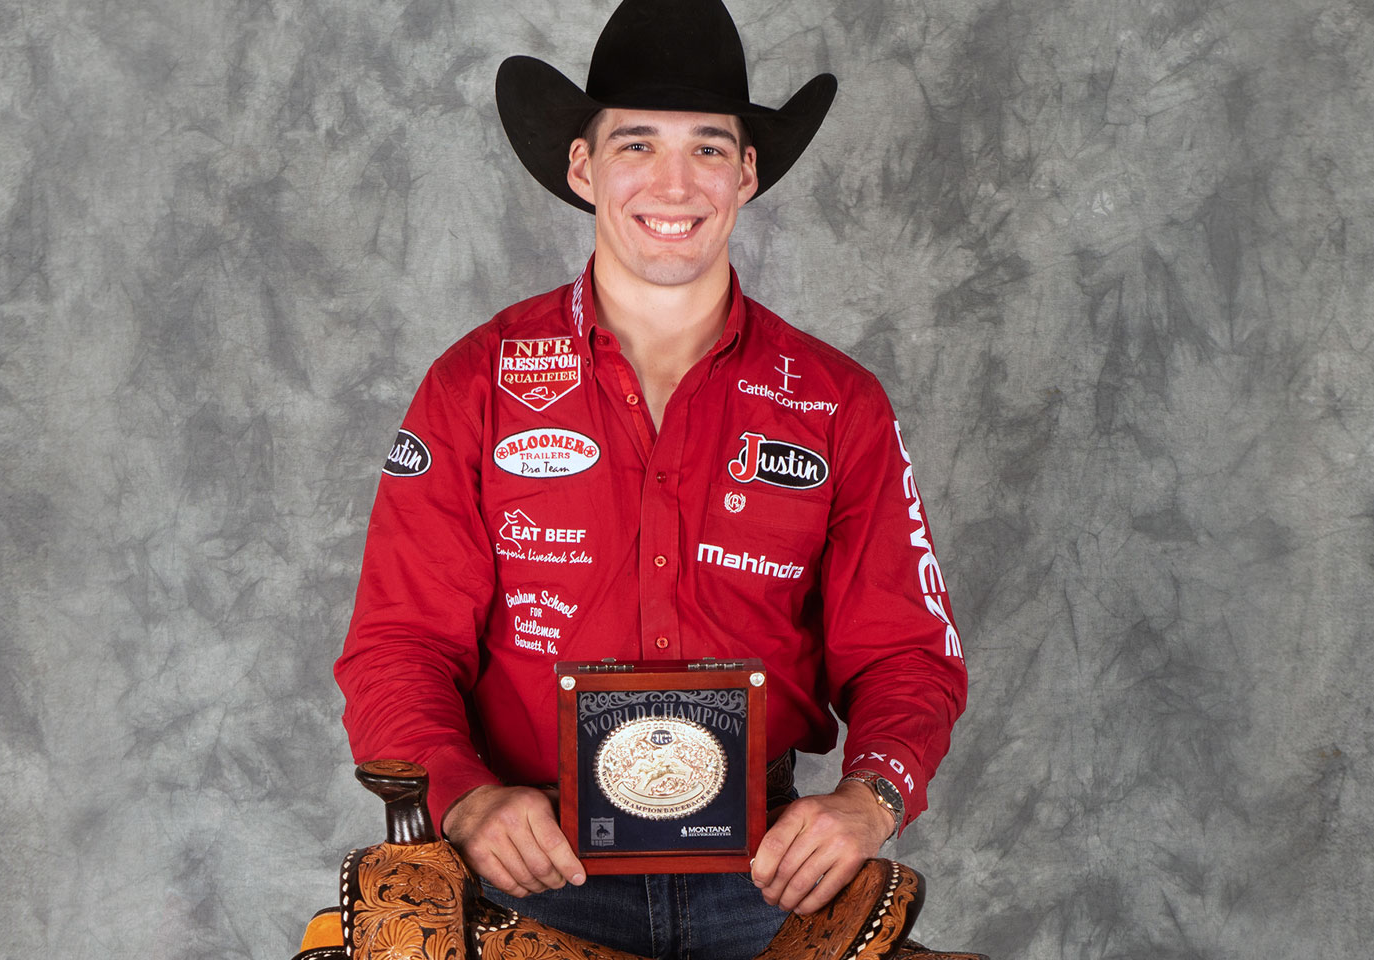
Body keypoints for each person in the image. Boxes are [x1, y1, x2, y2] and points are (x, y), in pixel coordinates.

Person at [334, 1, 967, 956]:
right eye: (637, 144)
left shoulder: (839, 404)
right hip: (533, 869)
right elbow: (398, 644)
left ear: (747, 172)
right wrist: (464, 801)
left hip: (767, 879)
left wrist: (870, 802)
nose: (675, 183)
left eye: (709, 148)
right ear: (582, 168)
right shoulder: (475, 386)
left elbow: (907, 656)